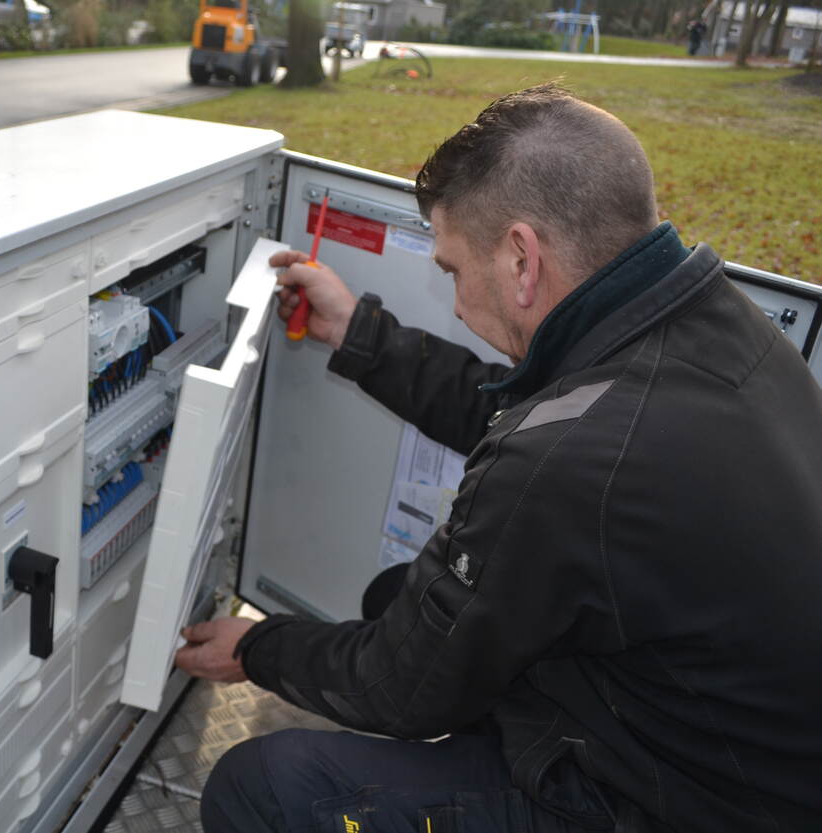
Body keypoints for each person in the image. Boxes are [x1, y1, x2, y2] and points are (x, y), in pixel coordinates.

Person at [175, 83, 822, 833]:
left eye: (450, 268)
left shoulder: (570, 460)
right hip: (710, 742)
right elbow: (523, 405)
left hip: (667, 801)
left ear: (521, 256)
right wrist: (360, 334)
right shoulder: (709, 324)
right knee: (399, 596)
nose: (452, 300)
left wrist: (256, 646)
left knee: (266, 786)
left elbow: (399, 685)